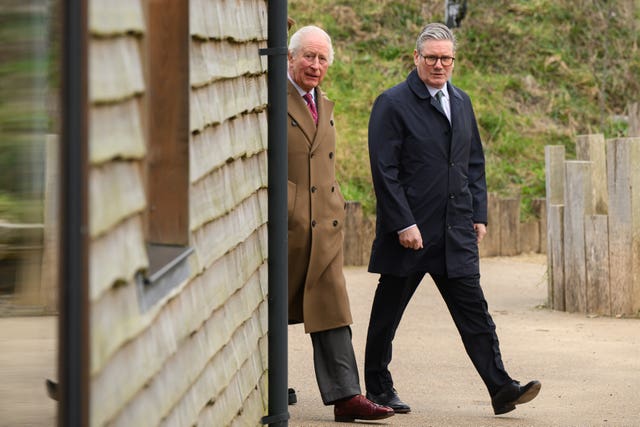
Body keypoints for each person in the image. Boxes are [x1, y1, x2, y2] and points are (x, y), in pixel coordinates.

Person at [363, 22, 541, 416]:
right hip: (409, 234)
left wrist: (478, 213)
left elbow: (473, 161)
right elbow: (384, 170)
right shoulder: (391, 104)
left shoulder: (461, 101)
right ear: (416, 58)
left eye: (446, 58)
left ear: (454, 61)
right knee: (388, 314)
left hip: (454, 230)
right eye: (431, 58)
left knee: (475, 313)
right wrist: (402, 223)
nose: (439, 65)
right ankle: (377, 388)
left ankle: (501, 388)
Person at [286, 25, 394, 423]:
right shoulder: (268, 99)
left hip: (324, 227)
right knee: (272, 308)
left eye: (322, 59)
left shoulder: (322, 103)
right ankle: (270, 380)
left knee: (332, 307)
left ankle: (347, 397)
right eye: (308, 57)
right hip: (286, 227)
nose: (315, 65)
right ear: (290, 58)